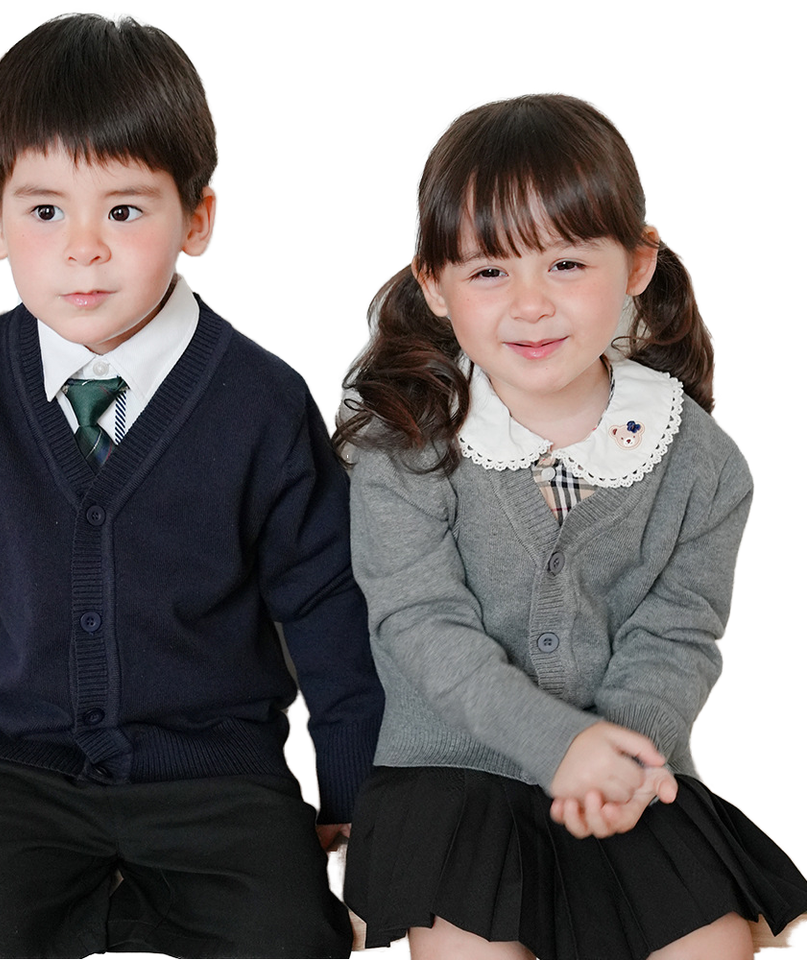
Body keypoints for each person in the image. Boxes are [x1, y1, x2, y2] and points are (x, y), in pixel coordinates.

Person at [0, 13, 383, 959]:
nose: (84, 248)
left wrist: (353, 792)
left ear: (197, 218)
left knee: (292, 936)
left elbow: (325, 600)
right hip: (18, 769)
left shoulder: (260, 399)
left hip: (215, 772)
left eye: (125, 211)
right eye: (44, 211)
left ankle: (121, 899)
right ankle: (91, 896)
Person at [335, 94, 807, 960]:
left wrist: (616, 763)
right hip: (456, 775)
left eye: (565, 263)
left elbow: (680, 634)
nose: (531, 305)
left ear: (636, 264)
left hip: (626, 773)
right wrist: (561, 745)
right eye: (489, 272)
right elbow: (421, 627)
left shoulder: (701, 461)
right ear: (433, 285)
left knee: (711, 946)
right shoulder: (404, 447)